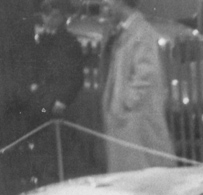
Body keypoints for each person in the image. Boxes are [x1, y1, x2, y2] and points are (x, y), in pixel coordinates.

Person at [101, 0, 176, 172]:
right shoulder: (125, 31)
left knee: (143, 176)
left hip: (136, 122)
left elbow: (146, 73)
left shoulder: (141, 32)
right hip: (128, 121)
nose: (106, 6)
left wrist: (125, 102)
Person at [29, 0, 84, 126]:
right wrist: (34, 86)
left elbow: (76, 77)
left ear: (61, 17)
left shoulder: (71, 43)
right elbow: (35, 67)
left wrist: (62, 101)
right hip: (42, 101)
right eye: (46, 15)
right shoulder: (41, 41)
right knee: (40, 128)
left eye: (54, 16)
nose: (48, 19)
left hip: (59, 105)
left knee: (57, 135)